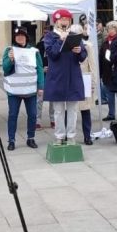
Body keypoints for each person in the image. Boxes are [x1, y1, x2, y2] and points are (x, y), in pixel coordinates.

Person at [43, 9, 88, 144]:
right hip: (57, 77)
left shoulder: (74, 35)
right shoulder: (50, 36)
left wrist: (80, 51)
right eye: (61, 20)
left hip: (72, 76)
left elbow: (83, 57)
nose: (64, 22)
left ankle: (71, 135)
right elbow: (52, 54)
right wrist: (60, 40)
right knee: (58, 110)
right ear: (56, 22)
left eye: (67, 20)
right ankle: (60, 136)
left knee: (73, 109)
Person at [2, 27, 44, 150]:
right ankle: (11, 140)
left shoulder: (34, 51)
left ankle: (31, 138)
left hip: (30, 89)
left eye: (22, 35)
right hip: (14, 90)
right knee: (13, 115)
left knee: (32, 115)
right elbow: (5, 68)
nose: (19, 38)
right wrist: (10, 60)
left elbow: (40, 69)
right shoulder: (9, 50)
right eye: (17, 36)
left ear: (26, 37)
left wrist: (40, 86)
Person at [72, 24, 99, 145]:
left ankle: (87, 136)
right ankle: (69, 135)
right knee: (70, 110)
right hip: (71, 80)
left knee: (85, 110)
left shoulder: (88, 46)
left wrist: (93, 82)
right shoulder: (66, 46)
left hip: (84, 79)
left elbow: (93, 65)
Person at [98, 21, 117, 122]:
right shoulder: (105, 42)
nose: (108, 31)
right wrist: (100, 73)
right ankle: (111, 113)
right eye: (107, 29)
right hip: (107, 73)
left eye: (110, 28)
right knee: (109, 95)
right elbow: (101, 58)